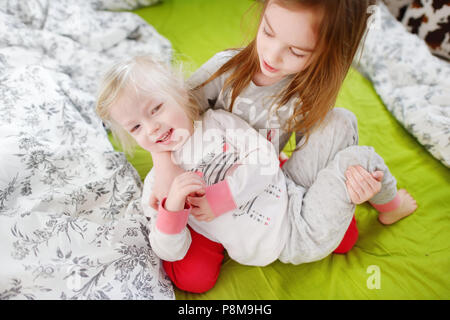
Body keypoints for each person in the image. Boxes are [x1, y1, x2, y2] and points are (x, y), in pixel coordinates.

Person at [96, 54, 412, 294]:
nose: (152, 128)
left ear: (180, 93)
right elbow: (169, 249)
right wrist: (173, 208)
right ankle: (375, 204)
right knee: (357, 164)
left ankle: (387, 205)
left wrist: (220, 198)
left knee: (345, 130)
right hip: (293, 236)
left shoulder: (218, 123)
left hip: (292, 191)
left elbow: (264, 159)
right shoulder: (157, 185)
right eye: (136, 127)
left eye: (156, 109)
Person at [188, 0, 417, 229]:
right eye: (267, 31)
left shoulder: (307, 94)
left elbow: (311, 163)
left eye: (296, 51)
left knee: (344, 130)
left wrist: (355, 182)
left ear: (326, 53)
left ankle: (389, 204)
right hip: (208, 178)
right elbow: (173, 114)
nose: (272, 55)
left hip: (267, 182)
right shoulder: (226, 68)